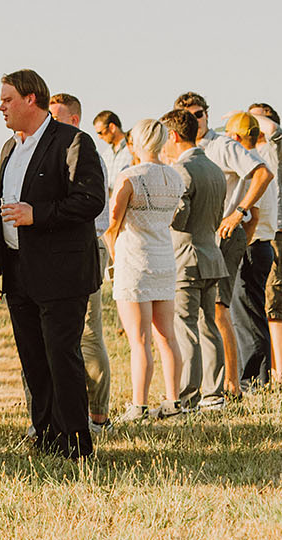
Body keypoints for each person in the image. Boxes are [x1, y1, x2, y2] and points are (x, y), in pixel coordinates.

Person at [0, 69, 104, 460]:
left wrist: (39, 214)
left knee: (61, 357)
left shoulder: (73, 142)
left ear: (30, 99)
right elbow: (2, 208)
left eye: (7, 99)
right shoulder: (8, 149)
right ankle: (47, 436)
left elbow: (90, 201)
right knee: (33, 361)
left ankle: (76, 444)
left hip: (62, 273)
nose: (0, 106)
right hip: (18, 271)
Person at [173, 92, 270, 400]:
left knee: (218, 309)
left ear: (207, 114)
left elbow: (262, 173)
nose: (196, 120)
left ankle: (231, 385)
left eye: (200, 114)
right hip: (199, 239)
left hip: (224, 235)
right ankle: (213, 386)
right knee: (206, 311)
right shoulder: (180, 151)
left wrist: (239, 212)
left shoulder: (222, 146)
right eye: (188, 116)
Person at [105, 119, 185, 422]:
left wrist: (111, 253)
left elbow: (113, 222)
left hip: (134, 261)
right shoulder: (175, 178)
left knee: (139, 341)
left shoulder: (130, 177)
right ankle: (173, 401)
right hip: (165, 260)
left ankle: (138, 405)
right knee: (167, 337)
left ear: (136, 143)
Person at [48, 93, 112, 431]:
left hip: (87, 246)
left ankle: (99, 414)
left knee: (88, 333)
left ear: (75, 120)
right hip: (57, 252)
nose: (51, 122)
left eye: (57, 117)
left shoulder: (87, 154)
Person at [161, 108, 228, 412]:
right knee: (209, 326)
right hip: (212, 256)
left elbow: (179, 220)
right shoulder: (215, 169)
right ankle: (214, 394)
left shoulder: (181, 171)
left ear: (173, 135)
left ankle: (188, 397)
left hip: (186, 258)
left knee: (186, 327)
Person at [221, 112, 276, 387]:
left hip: (253, 247)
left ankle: (253, 379)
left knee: (246, 317)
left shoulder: (254, 175)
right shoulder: (258, 164)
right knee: (249, 314)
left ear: (238, 138)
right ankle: (258, 376)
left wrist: (239, 248)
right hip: (261, 247)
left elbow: (252, 218)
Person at [248, 103, 282, 384]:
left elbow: (274, 131)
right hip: (259, 236)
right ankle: (264, 373)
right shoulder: (252, 153)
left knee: (275, 310)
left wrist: (250, 118)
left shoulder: (277, 151)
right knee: (260, 308)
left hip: (277, 235)